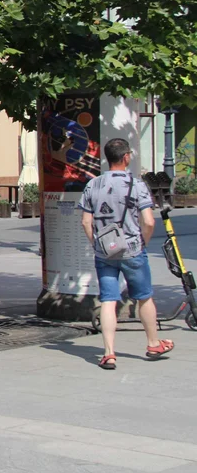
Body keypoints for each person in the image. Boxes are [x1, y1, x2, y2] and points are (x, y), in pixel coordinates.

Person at [79, 138, 174, 369]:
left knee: (108, 300)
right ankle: (153, 343)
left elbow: (85, 222)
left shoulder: (93, 185)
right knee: (143, 296)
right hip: (132, 250)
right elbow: (149, 222)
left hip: (104, 252)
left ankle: (109, 353)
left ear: (107, 157)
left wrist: (97, 245)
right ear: (126, 157)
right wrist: (142, 242)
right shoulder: (137, 185)